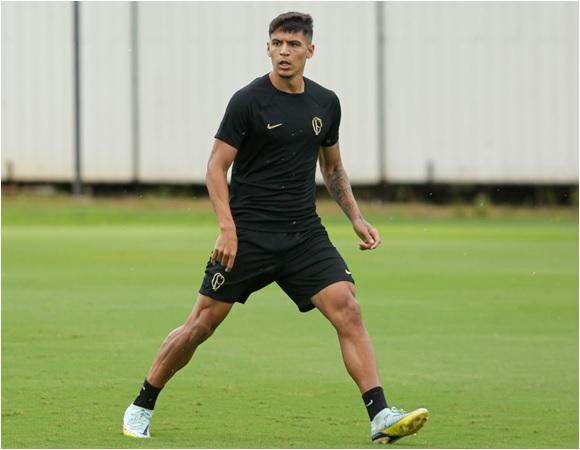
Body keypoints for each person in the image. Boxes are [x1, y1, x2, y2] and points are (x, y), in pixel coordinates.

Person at [123, 11, 429, 444]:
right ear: (267, 47)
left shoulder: (326, 103)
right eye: (277, 43)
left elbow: (334, 168)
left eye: (293, 45)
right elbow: (215, 168)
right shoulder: (248, 101)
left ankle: (379, 414)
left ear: (310, 51)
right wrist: (227, 229)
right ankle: (142, 403)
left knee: (348, 308)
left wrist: (356, 218)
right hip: (248, 235)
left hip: (304, 234)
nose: (284, 52)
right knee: (200, 325)